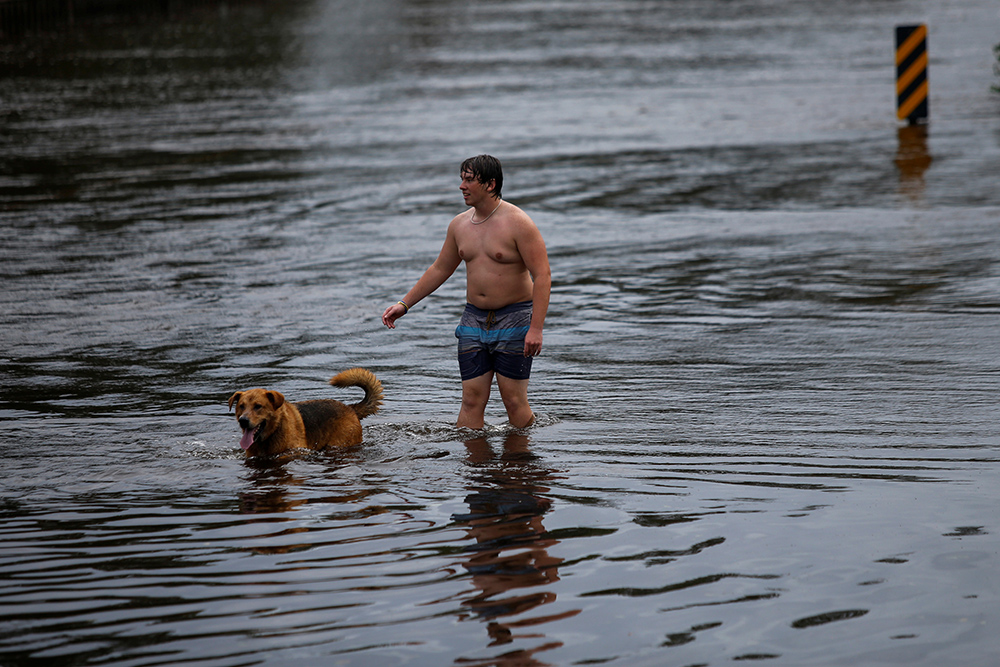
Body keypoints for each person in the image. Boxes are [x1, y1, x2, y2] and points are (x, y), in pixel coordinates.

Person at [382, 155, 551, 430]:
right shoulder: (459, 225)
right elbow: (440, 269)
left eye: (469, 179)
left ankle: (522, 466)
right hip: (473, 320)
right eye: (462, 179)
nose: (462, 185)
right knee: (471, 400)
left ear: (490, 184)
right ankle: (473, 469)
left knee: (513, 401)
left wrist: (536, 328)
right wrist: (405, 304)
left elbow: (542, 276)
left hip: (515, 319)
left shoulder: (519, 223)